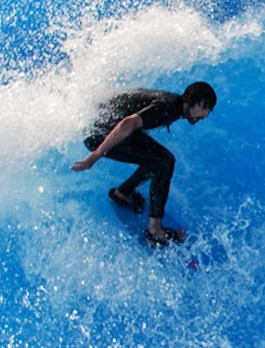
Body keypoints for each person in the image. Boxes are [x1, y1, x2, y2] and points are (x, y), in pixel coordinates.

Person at [72, 81, 217, 245]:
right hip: (99, 133)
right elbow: (129, 123)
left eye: (209, 110)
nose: (205, 115)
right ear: (191, 101)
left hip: (106, 126)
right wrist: (96, 155)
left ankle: (123, 193)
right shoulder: (167, 107)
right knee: (164, 162)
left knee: (159, 158)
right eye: (204, 107)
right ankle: (155, 230)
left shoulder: (175, 106)